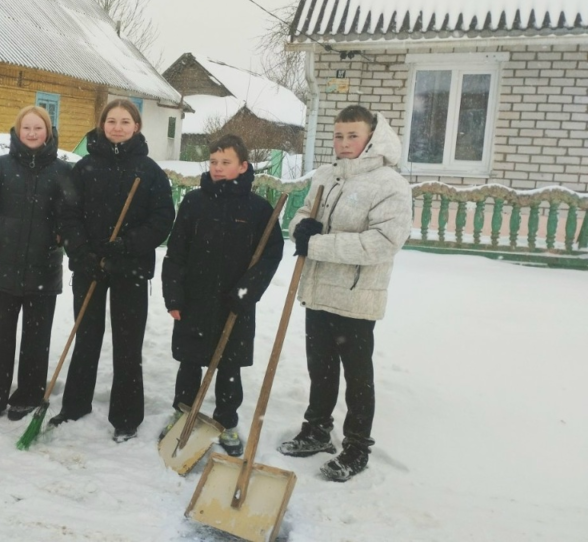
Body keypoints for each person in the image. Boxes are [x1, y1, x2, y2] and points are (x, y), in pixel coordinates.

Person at [278, 104, 412, 482]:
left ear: (372, 137)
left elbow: (382, 243)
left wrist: (316, 244)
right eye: (338, 135)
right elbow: (304, 214)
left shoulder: (390, 185)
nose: (344, 142)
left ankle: (356, 446)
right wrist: (301, 228)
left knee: (357, 376)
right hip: (318, 289)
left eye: (353, 135)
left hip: (356, 296)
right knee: (320, 368)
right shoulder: (327, 175)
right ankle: (317, 429)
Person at [51, 99, 175, 443]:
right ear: (102, 125)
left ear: (136, 126)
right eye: (111, 121)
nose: (117, 127)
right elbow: (67, 214)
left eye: (125, 121)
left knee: (127, 343)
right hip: (90, 266)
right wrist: (82, 252)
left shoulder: (149, 171)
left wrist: (127, 244)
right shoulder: (84, 168)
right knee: (86, 336)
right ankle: (75, 405)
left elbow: (162, 219)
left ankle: (126, 416)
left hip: (130, 267)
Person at [160, 134, 284, 456]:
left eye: (225, 162)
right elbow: (176, 253)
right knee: (190, 362)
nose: (217, 167)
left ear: (243, 166)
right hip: (195, 299)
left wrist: (246, 291)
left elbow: (271, 255)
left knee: (229, 367)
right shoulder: (194, 203)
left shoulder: (258, 209)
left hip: (235, 303)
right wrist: (173, 295)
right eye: (213, 162)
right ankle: (183, 412)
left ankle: (226, 421)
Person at [0, 106, 74, 421]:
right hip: (2, 267)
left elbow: (72, 213)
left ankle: (28, 395)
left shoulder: (61, 170)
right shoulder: (2, 166)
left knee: (36, 341)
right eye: (26, 128)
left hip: (44, 268)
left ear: (48, 132)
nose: (31, 133)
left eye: (38, 128)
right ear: (17, 131)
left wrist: (59, 235)